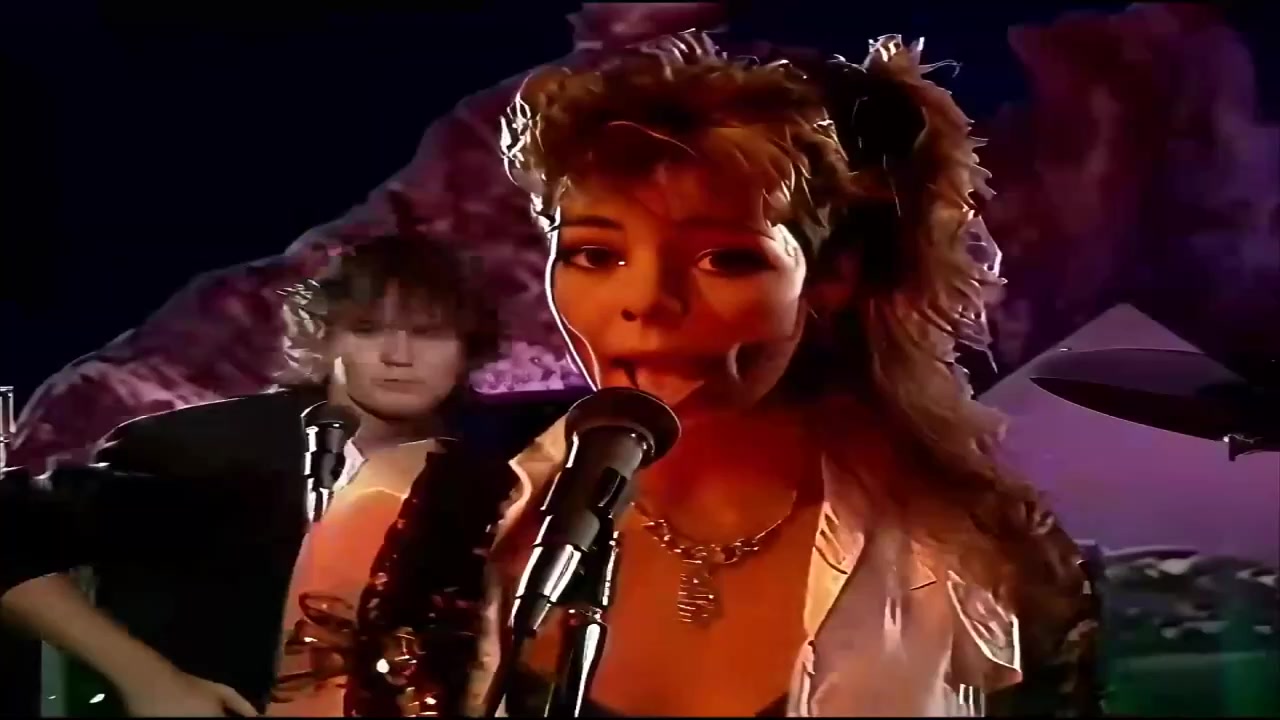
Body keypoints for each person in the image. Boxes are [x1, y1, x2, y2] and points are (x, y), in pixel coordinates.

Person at [343, 32, 1096, 717]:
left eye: (724, 259)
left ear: (831, 277)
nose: (648, 301)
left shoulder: (983, 561)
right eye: (596, 255)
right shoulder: (421, 525)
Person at [0, 229, 502, 716]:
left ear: (470, 349)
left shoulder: (494, 486)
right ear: (323, 338)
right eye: (367, 330)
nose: (399, 356)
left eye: (429, 333)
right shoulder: (202, 449)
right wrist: (149, 680)